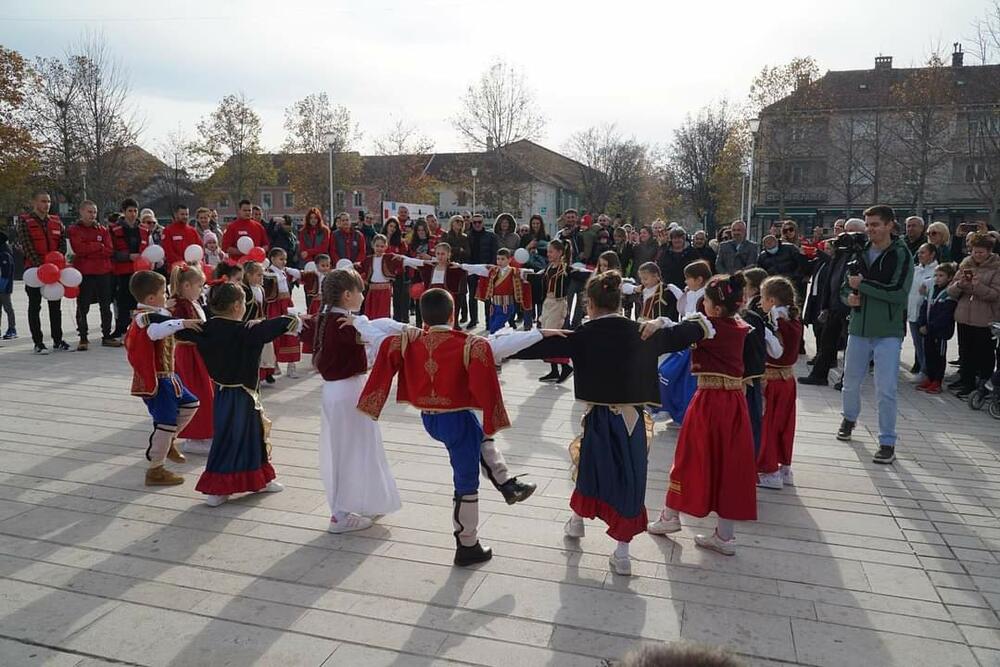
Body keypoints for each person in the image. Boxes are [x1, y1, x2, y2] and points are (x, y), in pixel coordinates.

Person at [513, 271, 710, 575]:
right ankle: (622, 554)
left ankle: (577, 522)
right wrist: (662, 321)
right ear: (620, 301)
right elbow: (698, 326)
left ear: (589, 303)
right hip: (632, 420)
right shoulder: (645, 332)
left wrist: (491, 343)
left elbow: (534, 346)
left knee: (588, 467)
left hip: (599, 417)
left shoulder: (582, 336)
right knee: (629, 480)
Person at [358, 288, 555, 566]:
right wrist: (539, 333)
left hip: (430, 417)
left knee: (482, 439)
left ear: (423, 317)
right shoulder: (468, 344)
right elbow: (502, 345)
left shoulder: (407, 341)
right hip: (456, 418)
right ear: (454, 314)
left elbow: (380, 332)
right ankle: (467, 544)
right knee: (466, 481)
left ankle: (508, 485)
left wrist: (358, 321)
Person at [647, 273, 756, 556]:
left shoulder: (708, 326)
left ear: (716, 308)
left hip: (709, 401)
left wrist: (657, 322)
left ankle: (670, 517)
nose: (701, 305)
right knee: (729, 466)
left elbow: (676, 334)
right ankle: (725, 536)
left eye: (705, 300)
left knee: (688, 457)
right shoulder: (738, 323)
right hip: (734, 403)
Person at [173, 282, 301, 507]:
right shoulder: (246, 331)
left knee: (248, 435)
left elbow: (174, 329)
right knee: (232, 438)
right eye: (243, 302)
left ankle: (260, 479)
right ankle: (218, 488)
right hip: (243, 394)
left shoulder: (205, 328)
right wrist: (262, 323)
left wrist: (174, 316)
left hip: (223, 393)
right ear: (235, 306)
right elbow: (288, 322)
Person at [311, 269, 409, 533]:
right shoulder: (343, 323)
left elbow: (375, 326)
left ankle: (364, 500)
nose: (363, 295)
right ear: (347, 295)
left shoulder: (330, 317)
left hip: (341, 390)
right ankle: (340, 514)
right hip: (346, 391)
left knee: (358, 447)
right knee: (349, 450)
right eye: (360, 291)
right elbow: (376, 335)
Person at [837, 205, 914, 465]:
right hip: (858, 328)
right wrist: (848, 297)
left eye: (876, 224)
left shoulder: (901, 254)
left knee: (886, 388)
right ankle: (849, 418)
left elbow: (898, 293)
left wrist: (865, 287)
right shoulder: (859, 252)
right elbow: (846, 286)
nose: (870, 229)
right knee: (850, 381)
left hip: (887, 332)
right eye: (868, 224)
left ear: (890, 225)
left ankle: (887, 441)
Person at [123, 270, 202, 486]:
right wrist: (182, 323)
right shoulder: (142, 318)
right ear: (151, 298)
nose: (167, 294)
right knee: (165, 422)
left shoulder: (158, 312)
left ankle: (168, 442)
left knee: (191, 403)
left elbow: (163, 318)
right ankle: (155, 468)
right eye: (163, 292)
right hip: (157, 381)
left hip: (170, 377)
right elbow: (156, 331)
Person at [799, 218, 866, 386]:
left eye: (849, 231)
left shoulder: (863, 252)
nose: (845, 234)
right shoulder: (840, 251)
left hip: (850, 304)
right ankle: (819, 375)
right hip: (834, 302)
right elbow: (831, 277)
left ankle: (847, 379)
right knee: (827, 341)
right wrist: (825, 304)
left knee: (850, 345)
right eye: (843, 230)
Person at [755, 276, 803, 490]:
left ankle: (769, 471)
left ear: (772, 301)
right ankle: (784, 468)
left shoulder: (774, 320)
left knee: (768, 426)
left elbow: (775, 350)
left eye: (763, 298)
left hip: (771, 380)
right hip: (788, 380)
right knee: (785, 425)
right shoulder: (794, 319)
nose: (760, 303)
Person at [652, 260, 711, 424]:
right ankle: (668, 408)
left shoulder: (705, 297)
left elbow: (695, 321)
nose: (685, 282)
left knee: (682, 381)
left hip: (694, 345)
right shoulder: (693, 293)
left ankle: (682, 413)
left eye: (688, 278)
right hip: (686, 340)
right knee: (665, 372)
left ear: (699, 279)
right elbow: (684, 313)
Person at [946, 233, 1000, 398]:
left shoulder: (996, 268)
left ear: (989, 252)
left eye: (981, 252)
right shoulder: (965, 264)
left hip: (985, 319)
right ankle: (967, 381)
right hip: (964, 316)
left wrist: (977, 286)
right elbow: (950, 290)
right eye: (974, 252)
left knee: (984, 354)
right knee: (966, 351)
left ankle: (984, 383)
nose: (977, 255)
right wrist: (960, 284)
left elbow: (994, 294)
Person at [168, 264, 214, 455]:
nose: (201, 289)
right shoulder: (179, 305)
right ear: (187, 285)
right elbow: (184, 332)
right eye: (199, 285)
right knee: (197, 392)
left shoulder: (192, 302)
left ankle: (207, 432)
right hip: (188, 354)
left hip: (198, 353)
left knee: (207, 392)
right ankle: (195, 437)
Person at [17, 191, 68, 353]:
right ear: (34, 202)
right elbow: (26, 245)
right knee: (34, 306)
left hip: (54, 270)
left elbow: (62, 244)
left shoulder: (56, 221)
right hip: (34, 270)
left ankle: (58, 340)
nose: (46, 204)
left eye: (48, 201)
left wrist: (55, 264)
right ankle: (38, 342)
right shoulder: (25, 221)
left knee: (55, 305)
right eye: (43, 201)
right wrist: (42, 266)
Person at [69, 200, 119, 351]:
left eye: (95, 212)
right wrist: (98, 246)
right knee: (83, 306)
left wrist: (90, 248)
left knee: (105, 305)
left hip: (103, 272)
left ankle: (107, 335)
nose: (92, 215)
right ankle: (83, 338)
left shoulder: (103, 230)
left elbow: (110, 250)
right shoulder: (74, 229)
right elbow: (79, 249)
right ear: (82, 212)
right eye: (89, 212)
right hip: (85, 273)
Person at [739, 268, 777, 456]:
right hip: (745, 380)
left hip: (747, 381)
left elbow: (761, 352)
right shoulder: (752, 315)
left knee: (749, 425)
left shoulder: (753, 317)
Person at [464, 249, 533, 335]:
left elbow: (530, 272)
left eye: (502, 259)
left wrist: (532, 272)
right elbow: (478, 268)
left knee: (494, 329)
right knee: (495, 328)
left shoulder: (514, 271)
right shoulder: (493, 270)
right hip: (494, 306)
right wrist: (460, 266)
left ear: (509, 260)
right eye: (498, 259)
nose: (499, 261)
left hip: (506, 306)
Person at [535, 239, 576, 383]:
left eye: (551, 251)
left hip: (558, 304)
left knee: (552, 334)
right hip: (547, 302)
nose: (548, 254)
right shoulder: (549, 267)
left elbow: (580, 274)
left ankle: (565, 366)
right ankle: (554, 370)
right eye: (548, 251)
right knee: (546, 335)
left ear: (560, 252)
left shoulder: (565, 268)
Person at [355, 235, 424, 319]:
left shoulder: (390, 258)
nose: (379, 248)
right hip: (372, 292)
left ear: (386, 247)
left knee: (382, 316)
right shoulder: (368, 260)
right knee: (370, 315)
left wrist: (424, 262)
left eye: (382, 246)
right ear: (372, 245)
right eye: (377, 246)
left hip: (385, 291)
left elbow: (407, 261)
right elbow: (358, 268)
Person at [916, 262, 958, 395]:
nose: (937, 278)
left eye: (941, 275)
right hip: (927, 330)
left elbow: (945, 315)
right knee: (929, 354)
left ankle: (937, 381)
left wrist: (930, 326)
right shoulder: (932, 289)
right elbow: (924, 306)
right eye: (936, 275)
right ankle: (930, 377)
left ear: (950, 277)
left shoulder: (949, 293)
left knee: (939, 356)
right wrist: (922, 323)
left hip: (940, 332)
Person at [264, 247, 302, 378]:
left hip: (287, 304)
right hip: (275, 305)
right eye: (281, 259)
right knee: (275, 334)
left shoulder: (285, 272)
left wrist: (287, 269)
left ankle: (291, 366)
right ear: (272, 259)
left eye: (285, 259)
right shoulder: (268, 273)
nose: (284, 262)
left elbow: (299, 274)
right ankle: (274, 364)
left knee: (292, 332)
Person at [907, 243, 938, 379]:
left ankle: (928, 371)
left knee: (927, 345)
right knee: (917, 344)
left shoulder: (937, 270)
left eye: (923, 252)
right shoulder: (915, 270)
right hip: (913, 313)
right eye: (919, 252)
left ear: (932, 254)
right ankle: (922, 368)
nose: (920, 255)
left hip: (927, 315)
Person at [466, 213, 499, 330]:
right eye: (475, 222)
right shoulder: (468, 236)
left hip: (487, 270)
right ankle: (473, 320)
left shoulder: (491, 236)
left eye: (479, 222)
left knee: (488, 297)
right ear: (472, 223)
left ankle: (489, 322)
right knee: (472, 297)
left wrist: (492, 267)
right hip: (472, 270)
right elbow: (466, 253)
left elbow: (495, 252)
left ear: (483, 222)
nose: (477, 224)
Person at [0, 231, 14, 340]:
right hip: (2, 286)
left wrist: (2, 286)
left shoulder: (4, 254)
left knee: (8, 308)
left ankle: (12, 329)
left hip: (4, 287)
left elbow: (6, 273)